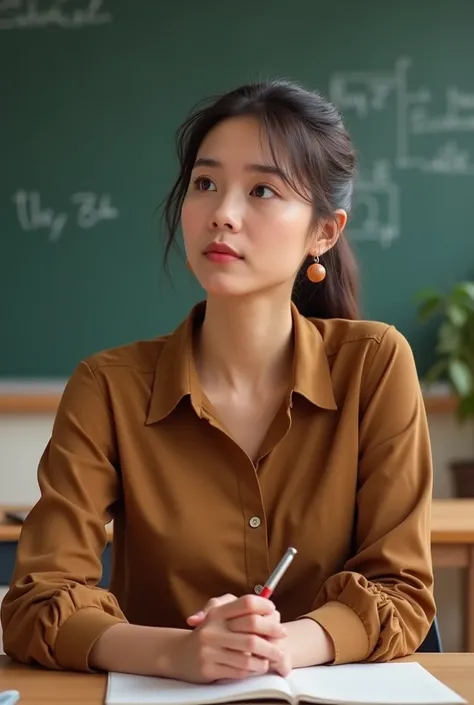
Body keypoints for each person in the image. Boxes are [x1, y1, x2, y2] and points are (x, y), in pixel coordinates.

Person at [1, 79, 435, 682]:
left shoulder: (375, 364)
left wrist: (279, 643)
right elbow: (35, 604)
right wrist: (177, 653)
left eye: (262, 190)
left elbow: (402, 593)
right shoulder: (108, 386)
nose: (222, 214)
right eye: (204, 184)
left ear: (324, 233)